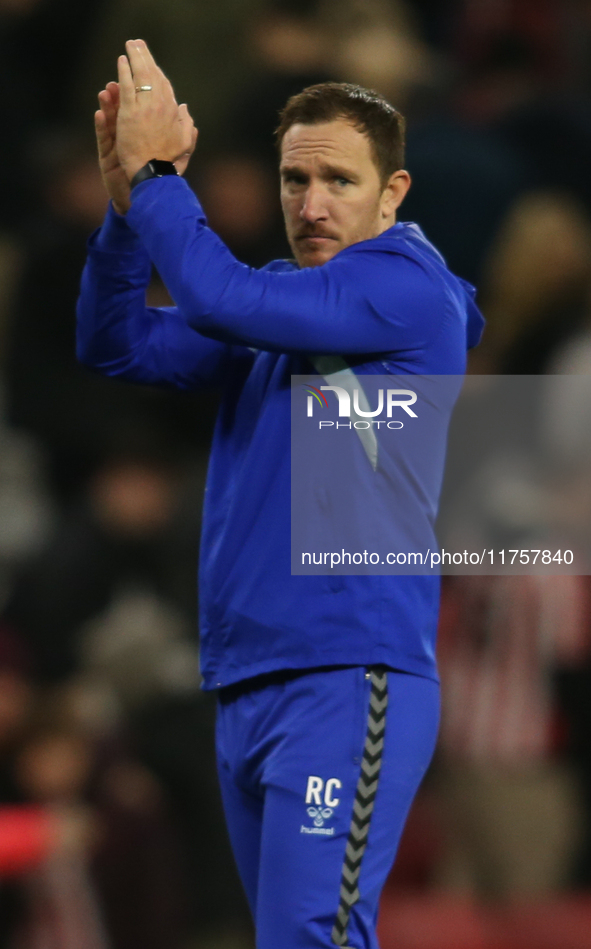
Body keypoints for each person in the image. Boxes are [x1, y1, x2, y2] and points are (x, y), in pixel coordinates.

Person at [77, 39, 484, 949]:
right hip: (248, 678)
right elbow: (117, 347)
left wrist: (156, 180)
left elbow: (215, 301)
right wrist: (122, 214)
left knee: (312, 936)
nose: (310, 205)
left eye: (338, 180)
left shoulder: (408, 293)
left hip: (347, 672)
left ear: (394, 193)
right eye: (294, 181)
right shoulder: (275, 302)